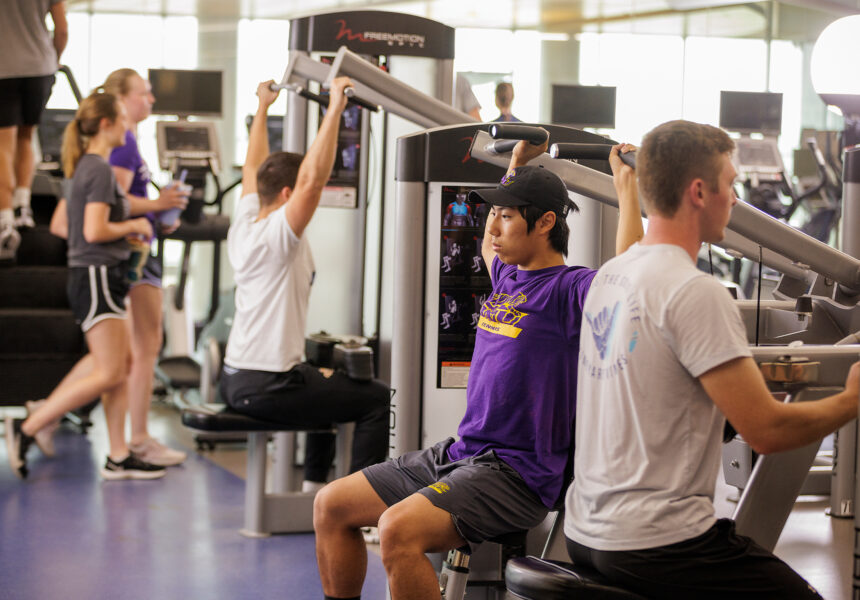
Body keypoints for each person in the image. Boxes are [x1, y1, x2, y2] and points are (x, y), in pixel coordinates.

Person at [313, 138, 643, 600]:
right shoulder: (507, 276)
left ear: (546, 222)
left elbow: (632, 274)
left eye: (506, 216)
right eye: (493, 215)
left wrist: (627, 187)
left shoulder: (570, 290)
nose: (493, 228)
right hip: (461, 453)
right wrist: (516, 165)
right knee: (331, 505)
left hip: (516, 474)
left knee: (397, 531)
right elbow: (493, 237)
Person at [563, 119, 860, 599]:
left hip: (586, 533)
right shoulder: (695, 291)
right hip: (658, 543)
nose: (736, 200)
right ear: (699, 192)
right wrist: (851, 400)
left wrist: (627, 190)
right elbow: (767, 431)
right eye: (731, 185)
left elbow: (639, 268)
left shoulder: (612, 277)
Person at [220, 77, 390, 493]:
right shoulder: (276, 235)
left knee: (324, 380)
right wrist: (335, 107)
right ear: (285, 194)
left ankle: (316, 490)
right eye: (297, 195)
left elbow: (251, 167)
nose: (306, 200)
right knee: (375, 398)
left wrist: (262, 107)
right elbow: (312, 181)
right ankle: (359, 511)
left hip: (237, 377)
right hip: (268, 384)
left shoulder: (246, 220)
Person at [4, 91, 165, 481]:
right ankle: (29, 425)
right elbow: (94, 230)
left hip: (99, 274)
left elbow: (79, 228)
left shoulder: (89, 167)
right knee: (111, 372)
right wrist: (135, 226)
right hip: (95, 276)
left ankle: (118, 454)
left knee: (121, 366)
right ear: (107, 124)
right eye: (123, 119)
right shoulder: (98, 169)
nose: (129, 126)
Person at [46, 69, 190, 466]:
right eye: (144, 94)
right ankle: (134, 438)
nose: (151, 101)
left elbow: (95, 207)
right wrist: (154, 210)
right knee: (138, 352)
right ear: (118, 104)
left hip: (128, 253)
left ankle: (46, 414)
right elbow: (112, 203)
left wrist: (160, 214)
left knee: (117, 356)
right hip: (126, 259)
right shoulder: (119, 148)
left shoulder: (115, 149)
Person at [0, 0, 68, 261]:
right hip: (39, 66)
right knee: (26, 138)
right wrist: (53, 59)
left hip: (1, 66)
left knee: (2, 146)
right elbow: (62, 29)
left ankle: (6, 220)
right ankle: (23, 205)